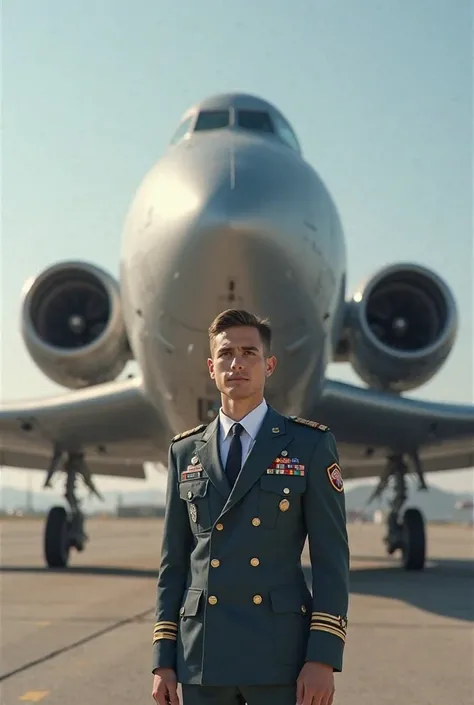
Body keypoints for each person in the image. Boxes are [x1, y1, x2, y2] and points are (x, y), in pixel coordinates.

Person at [151, 309, 350, 705]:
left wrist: (323, 658)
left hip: (278, 659)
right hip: (201, 659)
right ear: (211, 367)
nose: (237, 363)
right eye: (225, 354)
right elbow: (174, 564)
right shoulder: (185, 451)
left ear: (269, 365)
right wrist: (163, 660)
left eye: (249, 353)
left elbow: (331, 562)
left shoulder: (308, 446)